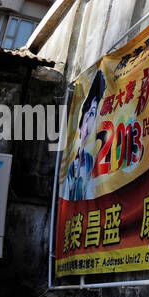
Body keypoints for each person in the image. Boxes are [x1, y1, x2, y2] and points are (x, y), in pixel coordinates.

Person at [60, 70, 106, 202]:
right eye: (89, 113)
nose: (90, 120)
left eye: (93, 114)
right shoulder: (71, 166)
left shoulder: (91, 160)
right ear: (82, 119)